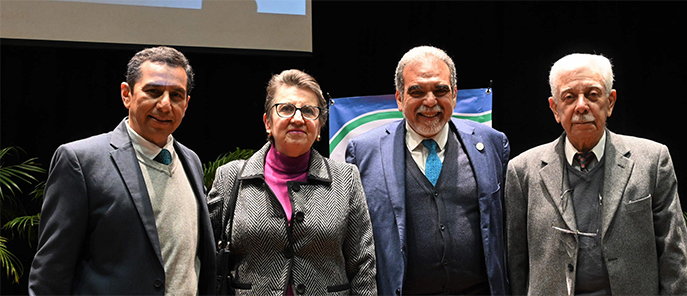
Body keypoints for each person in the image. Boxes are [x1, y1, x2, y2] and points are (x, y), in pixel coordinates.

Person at [28, 46, 216, 295]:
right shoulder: (81, 161)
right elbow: (50, 273)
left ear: (187, 104)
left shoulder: (190, 161)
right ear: (126, 94)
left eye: (176, 95)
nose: (165, 104)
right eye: (153, 91)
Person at [505, 53, 687, 295]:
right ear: (555, 108)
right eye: (570, 97)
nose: (582, 105)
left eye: (593, 95)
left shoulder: (652, 161)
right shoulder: (522, 171)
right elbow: (516, 265)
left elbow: (675, 255)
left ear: (610, 102)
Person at [346, 45, 510, 295]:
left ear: (454, 94)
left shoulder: (492, 144)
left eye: (441, 90)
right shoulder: (364, 152)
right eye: (417, 91)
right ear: (400, 98)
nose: (430, 101)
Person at [207, 69, 377, 295]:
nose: (298, 119)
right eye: (286, 108)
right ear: (268, 122)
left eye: (308, 111)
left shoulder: (346, 178)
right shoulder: (230, 177)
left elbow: (362, 264)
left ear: (319, 125)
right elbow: (207, 258)